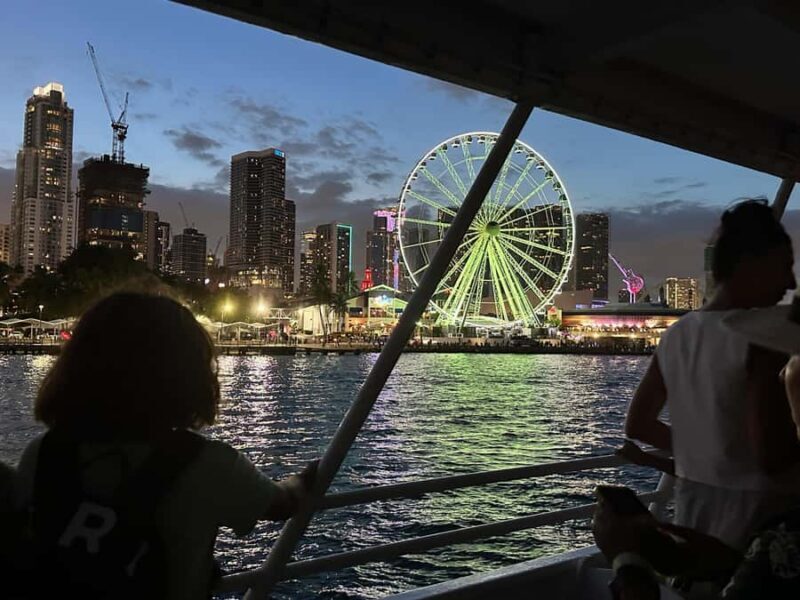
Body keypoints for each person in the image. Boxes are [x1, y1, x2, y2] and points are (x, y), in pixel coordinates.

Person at [13, 292, 317, 599]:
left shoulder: (42, 453)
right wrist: (307, 477)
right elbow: (281, 504)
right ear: (189, 376)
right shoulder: (209, 464)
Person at [625, 199, 799, 550]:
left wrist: (705, 450)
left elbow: (638, 425)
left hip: (693, 519)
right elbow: (774, 458)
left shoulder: (676, 334)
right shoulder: (764, 337)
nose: (791, 282)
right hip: (760, 529)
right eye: (784, 267)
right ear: (751, 264)